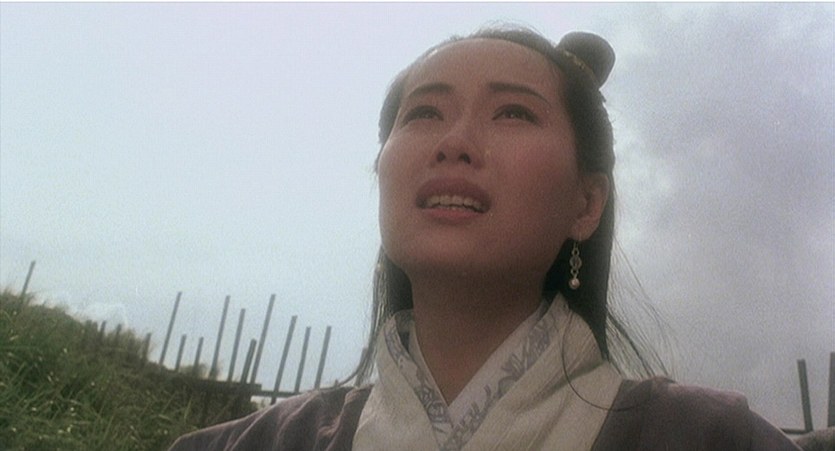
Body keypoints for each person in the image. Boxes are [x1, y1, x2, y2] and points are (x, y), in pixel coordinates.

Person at [169, 25, 801, 451]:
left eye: (513, 113)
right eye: (424, 113)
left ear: (586, 202)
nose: (454, 142)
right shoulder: (254, 444)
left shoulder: (712, 439)